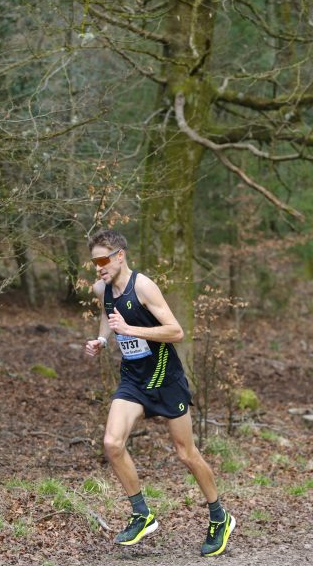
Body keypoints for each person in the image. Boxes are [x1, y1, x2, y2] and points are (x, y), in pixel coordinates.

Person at [85, 229, 235, 556]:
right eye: (94, 261)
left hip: (165, 379)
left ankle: (220, 517)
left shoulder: (143, 286)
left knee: (186, 454)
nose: (98, 267)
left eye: (102, 259)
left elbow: (176, 331)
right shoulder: (102, 289)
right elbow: (107, 318)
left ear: (120, 255)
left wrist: (130, 330)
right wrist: (103, 340)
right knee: (112, 443)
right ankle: (142, 514)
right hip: (134, 380)